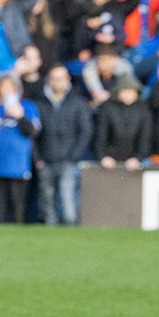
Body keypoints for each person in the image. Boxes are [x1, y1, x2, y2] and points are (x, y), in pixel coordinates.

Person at [33, 64, 92, 225]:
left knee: (68, 201)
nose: (57, 83)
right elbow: (34, 134)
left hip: (68, 160)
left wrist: (74, 156)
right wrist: (38, 158)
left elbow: (85, 131)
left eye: (61, 79)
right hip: (46, 160)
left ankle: (71, 231)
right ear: (48, 81)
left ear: (67, 80)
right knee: (47, 201)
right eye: (54, 79)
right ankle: (51, 235)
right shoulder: (40, 103)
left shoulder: (77, 103)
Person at [0, 73, 42, 222]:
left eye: (11, 86)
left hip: (18, 167)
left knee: (16, 209)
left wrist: (20, 116)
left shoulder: (27, 106)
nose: (8, 90)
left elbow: (33, 132)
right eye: (4, 86)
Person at [93, 73, 150, 170]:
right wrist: (103, 156)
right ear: (118, 92)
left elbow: (145, 136)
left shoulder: (143, 109)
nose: (128, 94)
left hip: (134, 162)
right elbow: (100, 134)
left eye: (131, 91)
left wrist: (137, 157)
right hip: (109, 160)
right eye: (125, 90)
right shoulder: (107, 108)